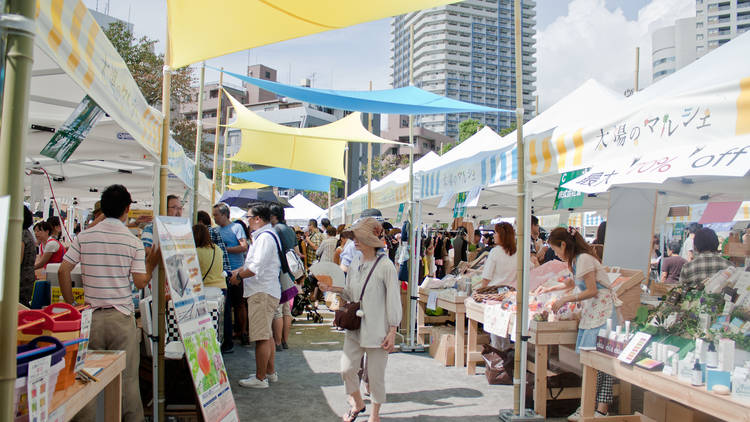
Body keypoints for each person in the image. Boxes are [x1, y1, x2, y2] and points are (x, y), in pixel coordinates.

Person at [58, 184, 160, 422]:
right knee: (127, 381)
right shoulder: (131, 240)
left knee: (86, 378)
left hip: (90, 318)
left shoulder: (84, 236)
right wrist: (151, 264)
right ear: (127, 208)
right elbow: (140, 280)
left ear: (102, 208)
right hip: (121, 318)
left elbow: (64, 270)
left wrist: (71, 305)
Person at [319, 217, 402, 422]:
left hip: (378, 330)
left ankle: (375, 417)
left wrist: (392, 331)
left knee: (375, 378)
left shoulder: (386, 267)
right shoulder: (355, 261)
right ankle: (357, 403)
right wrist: (332, 288)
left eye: (359, 237)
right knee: (346, 369)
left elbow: (393, 300)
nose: (354, 240)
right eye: (354, 236)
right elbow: (350, 293)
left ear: (371, 239)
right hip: (355, 327)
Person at [545, 227, 618, 420]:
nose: (557, 254)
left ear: (563, 244)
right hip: (593, 313)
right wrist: (552, 288)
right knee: (591, 361)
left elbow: (592, 289)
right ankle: (588, 406)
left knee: (601, 363)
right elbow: (572, 283)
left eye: (556, 249)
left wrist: (565, 300)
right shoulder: (577, 260)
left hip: (601, 312)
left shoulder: (583, 259)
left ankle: (600, 409)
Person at [230, 205, 282, 389]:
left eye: (249, 217)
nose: (247, 220)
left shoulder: (264, 238)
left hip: (262, 291)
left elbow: (254, 268)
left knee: (261, 336)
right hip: (265, 290)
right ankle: (269, 372)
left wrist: (237, 276)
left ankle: (261, 378)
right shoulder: (265, 236)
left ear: (258, 218)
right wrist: (236, 272)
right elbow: (251, 265)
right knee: (266, 334)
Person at [213, 202, 249, 352]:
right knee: (227, 305)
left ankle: (243, 332)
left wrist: (225, 250)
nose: (214, 218)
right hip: (222, 272)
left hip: (236, 270)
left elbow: (243, 246)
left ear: (224, 215)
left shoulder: (237, 227)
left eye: (216, 215)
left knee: (239, 304)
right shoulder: (216, 230)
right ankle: (234, 332)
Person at [197, 210, 232, 346]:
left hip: (206, 289)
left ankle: (210, 346)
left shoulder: (196, 252)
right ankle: (226, 344)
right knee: (223, 319)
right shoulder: (217, 249)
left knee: (208, 322)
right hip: (221, 286)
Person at [270, 204, 298, 352]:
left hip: (279, 271)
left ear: (273, 216)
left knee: (277, 309)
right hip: (290, 271)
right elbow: (297, 251)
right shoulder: (290, 230)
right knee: (287, 309)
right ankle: (285, 340)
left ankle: (278, 341)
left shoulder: (274, 230)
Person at [679, 228, 734, 292]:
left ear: (695, 246)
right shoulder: (729, 266)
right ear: (717, 244)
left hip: (694, 301)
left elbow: (681, 291)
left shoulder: (687, 267)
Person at [479, 222, 518, 289]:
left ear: (502, 235)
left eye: (495, 233)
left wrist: (481, 292)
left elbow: (486, 278)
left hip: (495, 292)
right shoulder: (518, 252)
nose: (493, 235)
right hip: (512, 292)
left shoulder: (495, 252)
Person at [20, 206, 36, 305]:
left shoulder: (21, 234)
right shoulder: (27, 233)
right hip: (27, 278)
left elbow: (17, 260)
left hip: (21, 281)